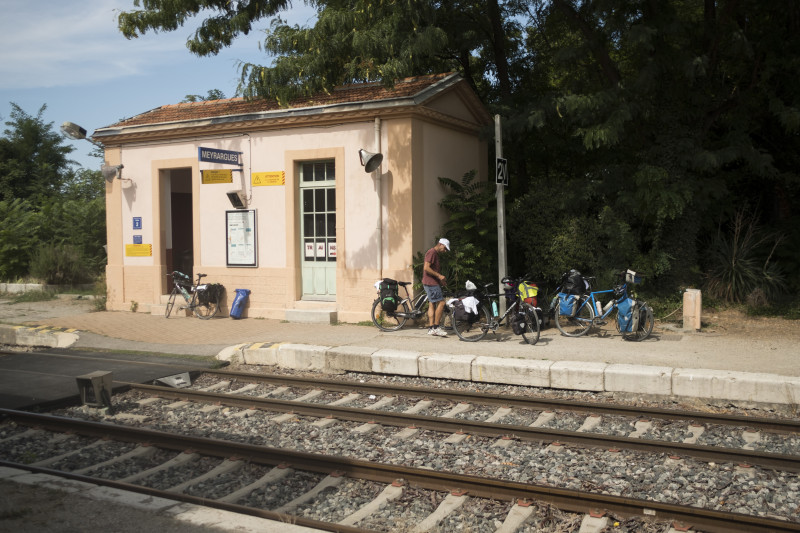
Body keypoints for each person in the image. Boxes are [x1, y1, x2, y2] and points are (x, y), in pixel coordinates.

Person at [422, 237, 450, 337]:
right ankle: (436, 327)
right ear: (440, 244)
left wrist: (440, 280)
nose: (445, 251)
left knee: (432, 304)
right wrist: (439, 276)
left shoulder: (434, 253)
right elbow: (426, 268)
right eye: (445, 248)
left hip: (431, 282)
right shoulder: (432, 252)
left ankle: (431, 328)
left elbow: (432, 270)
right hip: (431, 283)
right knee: (441, 303)